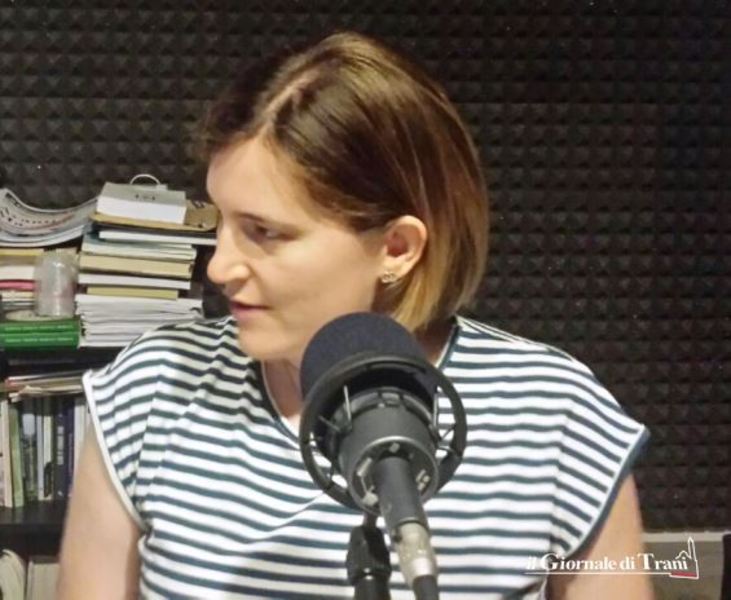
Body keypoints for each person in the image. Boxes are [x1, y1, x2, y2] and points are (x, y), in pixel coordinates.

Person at [57, 31, 652, 599]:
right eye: (222, 222)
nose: (219, 267)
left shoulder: (555, 417)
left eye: (264, 231)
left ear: (397, 248)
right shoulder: (152, 389)